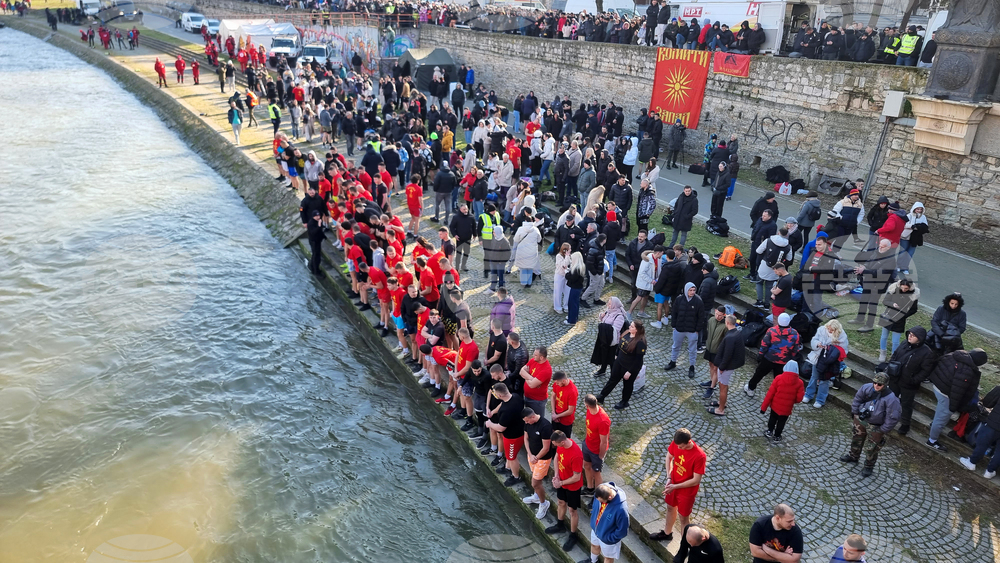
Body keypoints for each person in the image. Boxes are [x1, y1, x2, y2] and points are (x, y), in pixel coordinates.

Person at [649, 428, 706, 543]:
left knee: (683, 518)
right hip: (673, 483)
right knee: (670, 507)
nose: (678, 448)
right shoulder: (676, 443)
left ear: (689, 442)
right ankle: (667, 533)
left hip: (686, 491)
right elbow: (669, 457)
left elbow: (696, 480)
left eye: (681, 447)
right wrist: (669, 478)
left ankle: (685, 545)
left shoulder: (700, 456)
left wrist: (675, 486)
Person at [839, 373, 901, 477]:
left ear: (885, 385)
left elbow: (893, 416)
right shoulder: (866, 388)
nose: (876, 385)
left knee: (872, 448)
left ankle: (869, 466)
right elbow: (857, 399)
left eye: (879, 384)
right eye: (874, 383)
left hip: (876, 426)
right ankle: (853, 456)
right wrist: (855, 413)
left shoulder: (891, 399)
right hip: (861, 420)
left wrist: (883, 429)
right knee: (856, 439)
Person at [926, 348, 987, 452]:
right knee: (942, 418)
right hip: (945, 394)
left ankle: (934, 426)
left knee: (941, 413)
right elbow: (957, 391)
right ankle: (932, 441)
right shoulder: (967, 371)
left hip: (938, 385)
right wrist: (953, 408)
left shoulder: (956, 355)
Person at [885, 326, 934, 436]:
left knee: (906, 404)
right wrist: (891, 367)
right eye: (909, 334)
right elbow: (895, 355)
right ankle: (888, 417)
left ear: (920, 338)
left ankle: (905, 424)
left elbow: (926, 371)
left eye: (913, 335)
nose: (910, 337)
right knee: (891, 399)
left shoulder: (927, 352)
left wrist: (913, 380)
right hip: (895, 378)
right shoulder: (904, 343)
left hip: (908, 384)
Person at [745, 313, 801, 397]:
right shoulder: (795, 333)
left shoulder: (772, 331)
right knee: (780, 379)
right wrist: (790, 357)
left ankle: (750, 388)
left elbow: (764, 345)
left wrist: (760, 355)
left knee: (759, 374)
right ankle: (777, 394)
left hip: (769, 358)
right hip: (783, 361)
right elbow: (796, 349)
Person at [546, 430, 584, 552]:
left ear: (562, 442)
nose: (554, 446)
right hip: (562, 480)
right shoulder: (562, 445)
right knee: (561, 502)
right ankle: (560, 525)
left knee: (572, 510)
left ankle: (573, 535)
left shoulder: (576, 455)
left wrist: (561, 483)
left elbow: (576, 477)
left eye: (555, 444)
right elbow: (557, 458)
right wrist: (556, 475)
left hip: (573, 486)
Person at [597, 321, 647, 410]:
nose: (629, 327)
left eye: (632, 326)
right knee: (612, 379)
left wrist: (630, 372)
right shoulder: (627, 333)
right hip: (619, 362)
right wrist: (616, 354)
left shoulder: (640, 343)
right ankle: (602, 396)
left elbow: (638, 361)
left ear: (637, 330)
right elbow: (620, 344)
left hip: (629, 367)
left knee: (627, 385)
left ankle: (624, 402)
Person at [485, 382, 526, 486]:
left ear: (499, 395)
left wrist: (490, 424)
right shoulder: (515, 397)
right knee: (508, 454)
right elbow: (502, 404)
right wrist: (493, 412)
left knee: (512, 457)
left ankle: (516, 477)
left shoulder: (507, 411)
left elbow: (501, 427)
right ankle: (508, 467)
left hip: (513, 437)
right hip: (517, 430)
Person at [802, 320, 849, 407]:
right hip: (818, 357)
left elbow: (844, 351)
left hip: (830, 361)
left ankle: (820, 400)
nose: (829, 330)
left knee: (825, 380)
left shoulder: (842, 336)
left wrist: (832, 349)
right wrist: (817, 344)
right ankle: (808, 395)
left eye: (832, 330)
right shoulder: (821, 329)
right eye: (828, 328)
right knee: (814, 377)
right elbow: (814, 339)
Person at [960, 384, 1000, 479]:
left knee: (983, 443)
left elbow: (987, 402)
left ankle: (972, 462)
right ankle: (990, 471)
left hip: (994, 422)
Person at [521, 407, 554, 520]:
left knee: (535, 483)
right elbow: (526, 438)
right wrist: (530, 454)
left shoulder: (545, 426)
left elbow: (546, 447)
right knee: (535, 477)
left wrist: (536, 457)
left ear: (532, 417)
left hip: (542, 459)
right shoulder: (527, 423)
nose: (526, 423)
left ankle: (544, 503)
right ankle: (536, 496)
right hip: (532, 456)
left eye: (527, 421)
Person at [665, 283, 704, 379]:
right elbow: (674, 313)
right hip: (679, 328)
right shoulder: (679, 299)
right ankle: (673, 362)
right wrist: (674, 325)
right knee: (675, 346)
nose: (692, 292)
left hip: (692, 330)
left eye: (694, 290)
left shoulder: (698, 301)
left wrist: (697, 330)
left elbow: (701, 317)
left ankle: (692, 367)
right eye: (690, 290)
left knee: (692, 350)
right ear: (686, 290)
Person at [761, 360, 805, 442]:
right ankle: (777, 436)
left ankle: (769, 431)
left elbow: (770, 394)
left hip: (775, 406)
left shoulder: (778, 378)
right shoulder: (800, 383)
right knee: (781, 422)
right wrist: (792, 400)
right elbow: (799, 399)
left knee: (772, 419)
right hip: (786, 409)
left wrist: (763, 408)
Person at [877, 278, 920, 362]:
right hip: (888, 316)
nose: (903, 290)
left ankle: (894, 356)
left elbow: (914, 309)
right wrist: (892, 304)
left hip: (899, 319)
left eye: (906, 288)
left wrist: (904, 315)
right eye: (902, 287)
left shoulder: (913, 295)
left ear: (910, 287)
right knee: (884, 336)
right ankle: (882, 352)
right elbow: (885, 301)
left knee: (895, 341)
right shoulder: (893, 289)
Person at [588, 483, 630, 563]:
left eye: (601, 501)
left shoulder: (621, 509)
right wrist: (593, 519)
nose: (599, 502)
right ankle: (593, 561)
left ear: (610, 497)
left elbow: (623, 530)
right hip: (595, 530)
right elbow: (594, 505)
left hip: (608, 539)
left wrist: (610, 538)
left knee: (608, 558)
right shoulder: (600, 491)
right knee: (594, 545)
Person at [754, 227, 791, 309]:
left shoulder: (769, 240)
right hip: (776, 269)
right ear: (786, 235)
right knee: (769, 286)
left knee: (759, 282)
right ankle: (767, 304)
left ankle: (759, 301)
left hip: (765, 265)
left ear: (778, 232)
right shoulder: (788, 246)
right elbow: (789, 258)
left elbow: (758, 251)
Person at [582, 394, 610, 495]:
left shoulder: (603, 421)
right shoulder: (589, 410)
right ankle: (590, 488)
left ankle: (598, 495)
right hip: (587, 444)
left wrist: (600, 457)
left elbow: (604, 441)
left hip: (596, 451)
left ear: (587, 405)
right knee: (586, 465)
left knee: (596, 473)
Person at [520, 346, 553, 417]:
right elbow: (521, 371)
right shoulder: (533, 360)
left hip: (537, 401)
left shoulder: (546, 370)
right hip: (527, 396)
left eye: (535, 355)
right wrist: (531, 378)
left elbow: (532, 385)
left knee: (536, 418)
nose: (533, 356)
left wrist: (526, 375)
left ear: (541, 357)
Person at [898, 202, 929, 274]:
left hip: (915, 238)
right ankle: (898, 265)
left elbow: (925, 226)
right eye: (917, 209)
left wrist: (919, 227)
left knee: (910, 253)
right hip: (906, 237)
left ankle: (904, 267)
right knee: (902, 252)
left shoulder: (923, 217)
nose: (919, 210)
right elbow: (903, 224)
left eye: (920, 209)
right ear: (914, 209)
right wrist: (912, 226)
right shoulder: (909, 216)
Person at [550, 371, 578, 437]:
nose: (556, 384)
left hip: (566, 421)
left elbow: (570, 411)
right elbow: (553, 396)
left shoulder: (572, 392)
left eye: (558, 383)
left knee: (564, 438)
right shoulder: (557, 384)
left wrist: (557, 416)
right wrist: (554, 412)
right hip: (556, 414)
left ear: (564, 381)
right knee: (554, 434)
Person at [565, 251, 587, 325]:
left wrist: (566, 273)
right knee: (575, 303)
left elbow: (572, 278)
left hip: (575, 288)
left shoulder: (577, 269)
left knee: (572, 304)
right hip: (578, 288)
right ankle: (573, 317)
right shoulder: (580, 267)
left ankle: (571, 320)